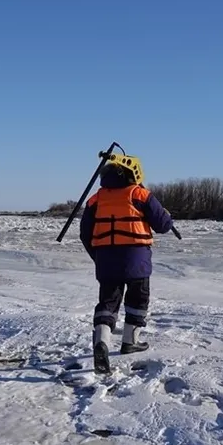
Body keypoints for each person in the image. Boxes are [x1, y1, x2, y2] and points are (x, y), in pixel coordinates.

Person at [79, 153, 174, 374]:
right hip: (136, 258)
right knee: (137, 300)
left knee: (108, 301)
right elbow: (162, 225)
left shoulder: (95, 199)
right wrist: (167, 215)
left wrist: (98, 256)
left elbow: (85, 233)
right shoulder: (141, 194)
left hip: (106, 259)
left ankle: (101, 340)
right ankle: (130, 341)